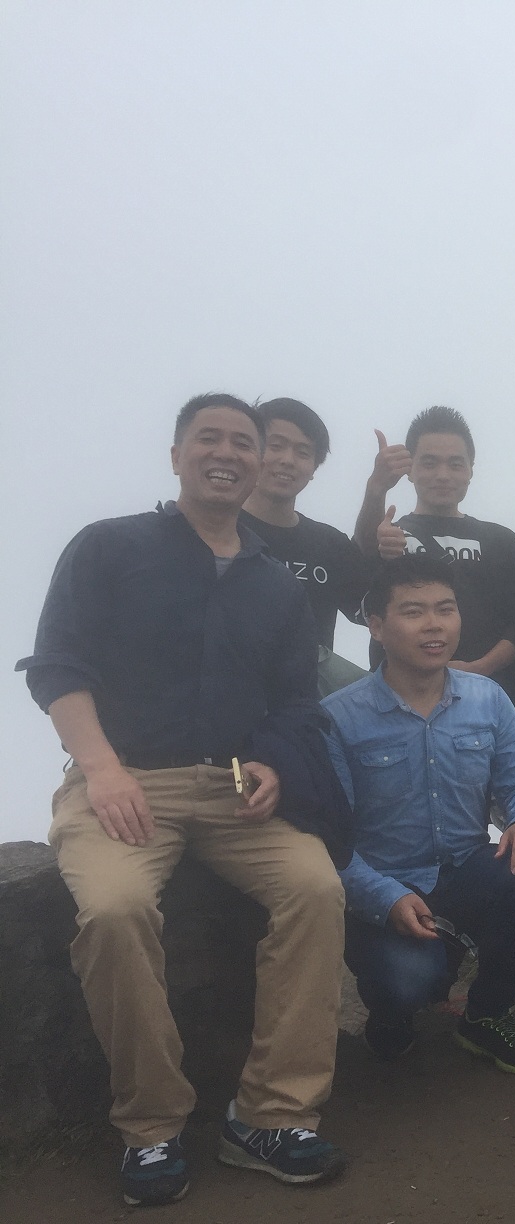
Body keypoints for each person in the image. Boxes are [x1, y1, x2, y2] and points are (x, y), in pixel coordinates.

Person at [18, 393, 351, 1206]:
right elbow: (58, 666)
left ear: (259, 462)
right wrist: (102, 769)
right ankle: (151, 1125)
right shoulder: (110, 546)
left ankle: (271, 1116)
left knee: (315, 888)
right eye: (209, 438)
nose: (227, 452)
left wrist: (273, 762)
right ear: (176, 455)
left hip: (235, 789)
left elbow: (295, 701)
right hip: (122, 779)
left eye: (244, 441)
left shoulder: (276, 587)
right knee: (115, 910)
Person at [325, 555, 515, 1075]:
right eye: (414, 612)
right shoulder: (339, 717)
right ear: (377, 626)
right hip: (385, 887)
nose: (434, 625)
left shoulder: (488, 698)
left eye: (445, 609)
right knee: (409, 983)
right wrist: (385, 897)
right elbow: (329, 838)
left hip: (464, 871)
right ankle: (392, 1013)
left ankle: (485, 1015)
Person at [354, 406, 515, 708]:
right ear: (410, 469)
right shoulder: (388, 537)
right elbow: (362, 564)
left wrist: (479, 669)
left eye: (455, 464)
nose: (443, 475)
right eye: (430, 463)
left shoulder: (503, 542)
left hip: (488, 705)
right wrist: (376, 488)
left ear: (471, 469)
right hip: (396, 706)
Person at [239, 397, 373, 694]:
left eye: (303, 452)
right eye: (275, 445)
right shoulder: (217, 529)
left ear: (313, 468)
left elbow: (379, 612)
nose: (288, 460)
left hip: (308, 704)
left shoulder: (330, 544)